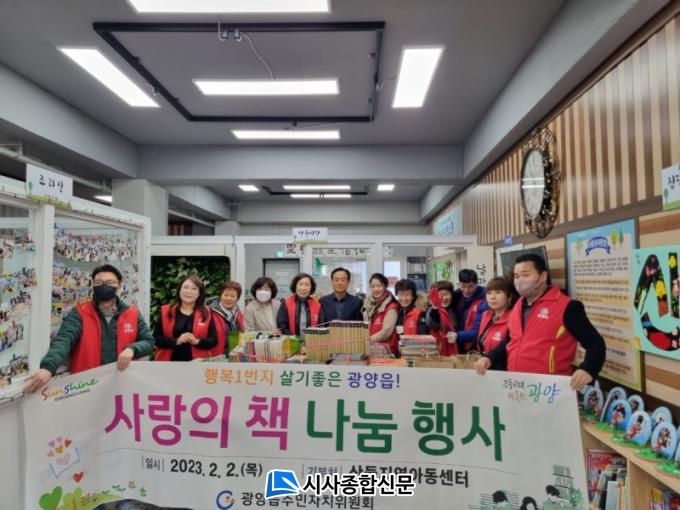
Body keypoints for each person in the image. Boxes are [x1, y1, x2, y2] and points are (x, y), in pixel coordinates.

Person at [475, 253, 606, 390]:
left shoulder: (567, 307)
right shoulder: (517, 305)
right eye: (516, 276)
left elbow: (595, 342)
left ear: (542, 277)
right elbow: (510, 340)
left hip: (549, 389)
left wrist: (588, 369)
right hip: (516, 385)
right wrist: (490, 358)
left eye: (525, 275)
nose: (519, 281)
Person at [25, 264, 154, 393]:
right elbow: (64, 340)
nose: (104, 286)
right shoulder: (80, 313)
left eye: (110, 282)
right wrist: (48, 367)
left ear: (119, 285)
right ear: (93, 285)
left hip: (123, 384)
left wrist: (132, 349)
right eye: (99, 282)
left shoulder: (132, 314)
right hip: (87, 387)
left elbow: (149, 342)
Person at [154, 275, 223, 361]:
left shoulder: (207, 312)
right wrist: (176, 341)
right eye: (185, 287)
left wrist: (196, 341)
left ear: (199, 293)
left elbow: (214, 340)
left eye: (194, 289)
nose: (189, 291)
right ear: (179, 290)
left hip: (198, 363)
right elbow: (155, 339)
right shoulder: (165, 311)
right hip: (168, 363)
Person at [476, 276, 515, 358]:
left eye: (498, 292)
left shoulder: (514, 318)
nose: (492, 297)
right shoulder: (486, 315)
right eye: (489, 293)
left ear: (509, 297)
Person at [363, 273, 399, 355]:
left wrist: (367, 340)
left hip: (386, 352)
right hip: (372, 349)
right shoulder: (369, 305)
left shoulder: (391, 307)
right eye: (372, 286)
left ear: (385, 286)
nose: (375, 289)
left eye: (378, 286)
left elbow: (386, 332)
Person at [453, 269, 488, 352]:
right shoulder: (455, 297)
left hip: (475, 345)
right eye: (463, 286)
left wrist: (457, 336)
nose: (466, 290)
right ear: (459, 284)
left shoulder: (484, 300)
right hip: (457, 344)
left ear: (476, 284)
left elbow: (479, 329)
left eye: (470, 286)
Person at [426, 280, 459, 356]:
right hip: (438, 353)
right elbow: (432, 324)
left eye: (446, 294)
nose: (444, 298)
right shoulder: (432, 311)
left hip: (453, 353)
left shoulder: (454, 310)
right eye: (440, 295)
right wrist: (435, 308)